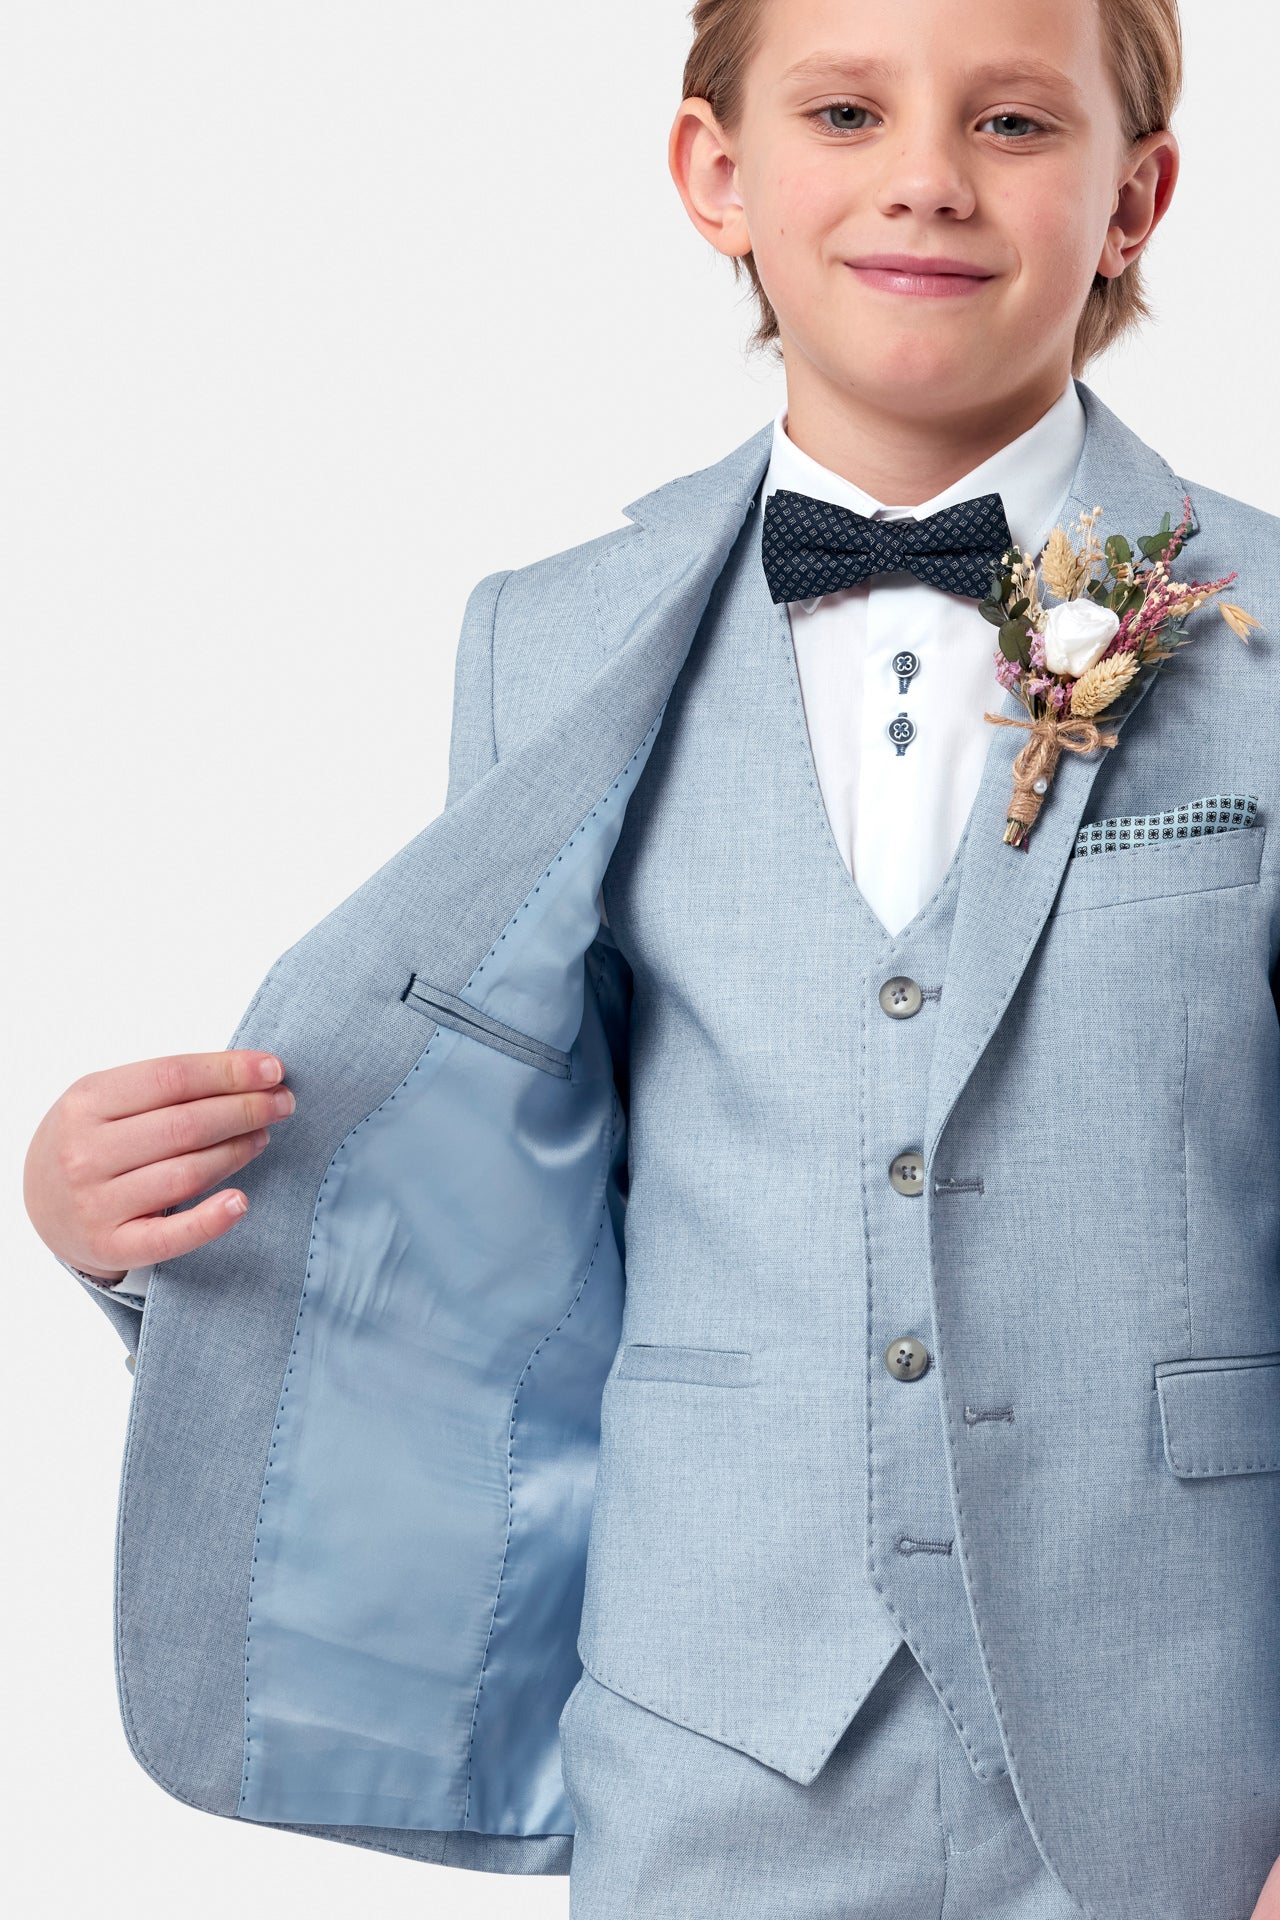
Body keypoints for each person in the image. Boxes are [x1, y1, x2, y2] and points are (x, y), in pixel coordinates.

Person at [24, 0, 1280, 1915]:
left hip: (1184, 1746)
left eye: (1017, 122)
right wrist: (147, 1233)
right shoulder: (545, 638)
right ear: (718, 176)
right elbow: (494, 1204)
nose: (928, 175)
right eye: (847, 110)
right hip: (715, 1747)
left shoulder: (1264, 634)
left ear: (1137, 199)